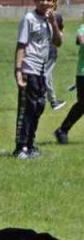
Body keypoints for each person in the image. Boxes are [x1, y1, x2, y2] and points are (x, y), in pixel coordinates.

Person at [14, 0, 63, 159]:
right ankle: (21, 147)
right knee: (28, 108)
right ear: (35, 0)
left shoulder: (52, 20)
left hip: (43, 71)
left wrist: (53, 24)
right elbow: (21, 45)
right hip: (29, 67)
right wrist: (18, 71)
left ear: (54, 3)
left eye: (49, 0)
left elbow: (58, 43)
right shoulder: (29, 18)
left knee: (39, 107)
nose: (45, 3)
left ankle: (30, 144)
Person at [53, 8, 84, 144]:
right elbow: (81, 39)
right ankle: (62, 130)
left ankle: (62, 130)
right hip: (83, 73)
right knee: (82, 105)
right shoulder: (83, 28)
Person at [46, 0, 66, 111]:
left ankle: (52, 101)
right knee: (45, 76)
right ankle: (52, 101)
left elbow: (61, 32)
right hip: (42, 51)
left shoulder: (57, 17)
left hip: (51, 50)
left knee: (46, 75)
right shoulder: (39, 15)